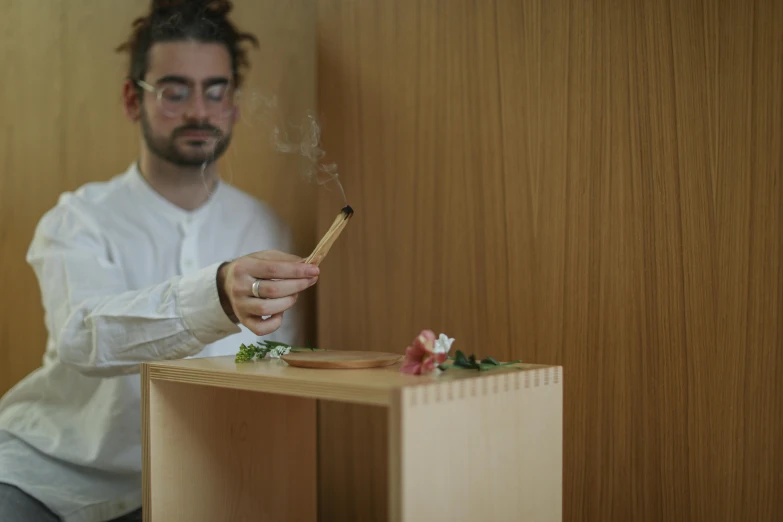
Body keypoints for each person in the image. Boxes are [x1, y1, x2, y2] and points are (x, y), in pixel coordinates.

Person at [0, 1, 317, 520]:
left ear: (234, 105)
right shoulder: (77, 219)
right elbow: (84, 337)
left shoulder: (266, 229)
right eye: (174, 91)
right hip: (46, 480)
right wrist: (216, 295)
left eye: (215, 91)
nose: (198, 111)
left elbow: (273, 374)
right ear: (132, 99)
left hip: (184, 488)